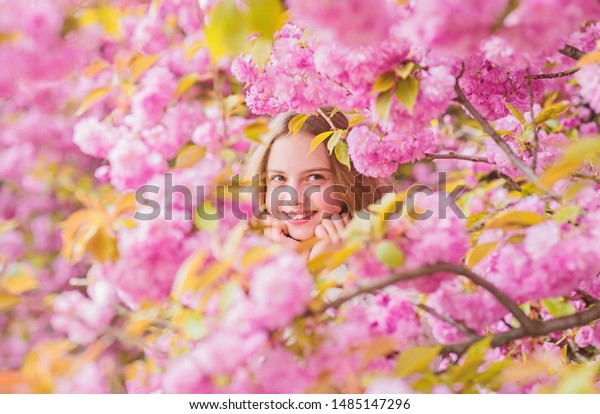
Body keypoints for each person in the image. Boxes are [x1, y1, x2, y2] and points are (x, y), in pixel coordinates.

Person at [241, 107, 397, 265]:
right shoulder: (239, 269)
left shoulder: (392, 264)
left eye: (314, 177)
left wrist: (328, 268)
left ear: (349, 183)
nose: (294, 198)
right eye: (279, 178)